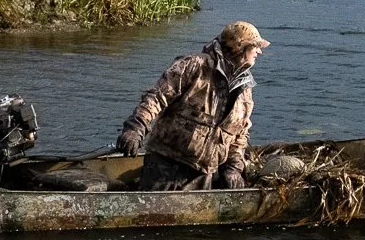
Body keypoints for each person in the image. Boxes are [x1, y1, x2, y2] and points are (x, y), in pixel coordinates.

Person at [116, 21, 270, 190]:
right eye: (255, 46)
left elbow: (239, 134)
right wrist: (136, 127)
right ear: (239, 47)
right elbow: (157, 97)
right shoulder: (194, 65)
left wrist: (232, 168)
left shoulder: (244, 90)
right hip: (165, 165)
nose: (259, 51)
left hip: (203, 174)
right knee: (153, 215)